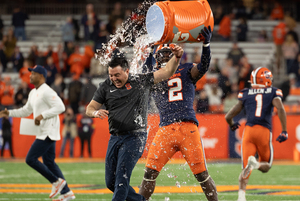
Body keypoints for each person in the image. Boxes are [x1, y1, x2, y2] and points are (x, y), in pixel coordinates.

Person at [85, 44, 183, 201]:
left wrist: (176, 57)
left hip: (135, 137)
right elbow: (89, 108)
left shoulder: (140, 81)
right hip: (115, 137)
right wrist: (95, 112)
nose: (113, 79)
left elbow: (166, 72)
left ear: (127, 71)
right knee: (111, 182)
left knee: (121, 181)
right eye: (111, 75)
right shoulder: (105, 86)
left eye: (117, 75)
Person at [139, 26, 218, 201]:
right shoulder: (155, 75)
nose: (165, 56)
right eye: (162, 54)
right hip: (166, 128)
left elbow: (203, 67)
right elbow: (143, 75)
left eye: (168, 53)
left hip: (186, 127)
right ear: (157, 57)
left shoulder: (185, 69)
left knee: (202, 175)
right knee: (149, 174)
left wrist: (206, 45)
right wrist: (150, 49)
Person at [0, 65, 75, 201]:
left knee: (30, 159)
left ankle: (56, 182)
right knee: (49, 162)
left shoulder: (47, 91)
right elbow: (26, 111)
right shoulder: (33, 92)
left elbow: (61, 107)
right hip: (43, 130)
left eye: (33, 73)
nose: (30, 76)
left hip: (48, 130)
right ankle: (67, 193)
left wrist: (42, 115)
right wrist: (9, 113)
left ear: (41, 76)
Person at [225, 67, 288, 201]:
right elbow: (280, 108)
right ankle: (256, 165)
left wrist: (231, 124)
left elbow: (228, 115)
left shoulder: (246, 93)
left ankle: (241, 197)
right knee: (266, 166)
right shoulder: (273, 91)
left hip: (248, 132)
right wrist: (284, 130)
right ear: (265, 79)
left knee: (244, 169)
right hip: (263, 132)